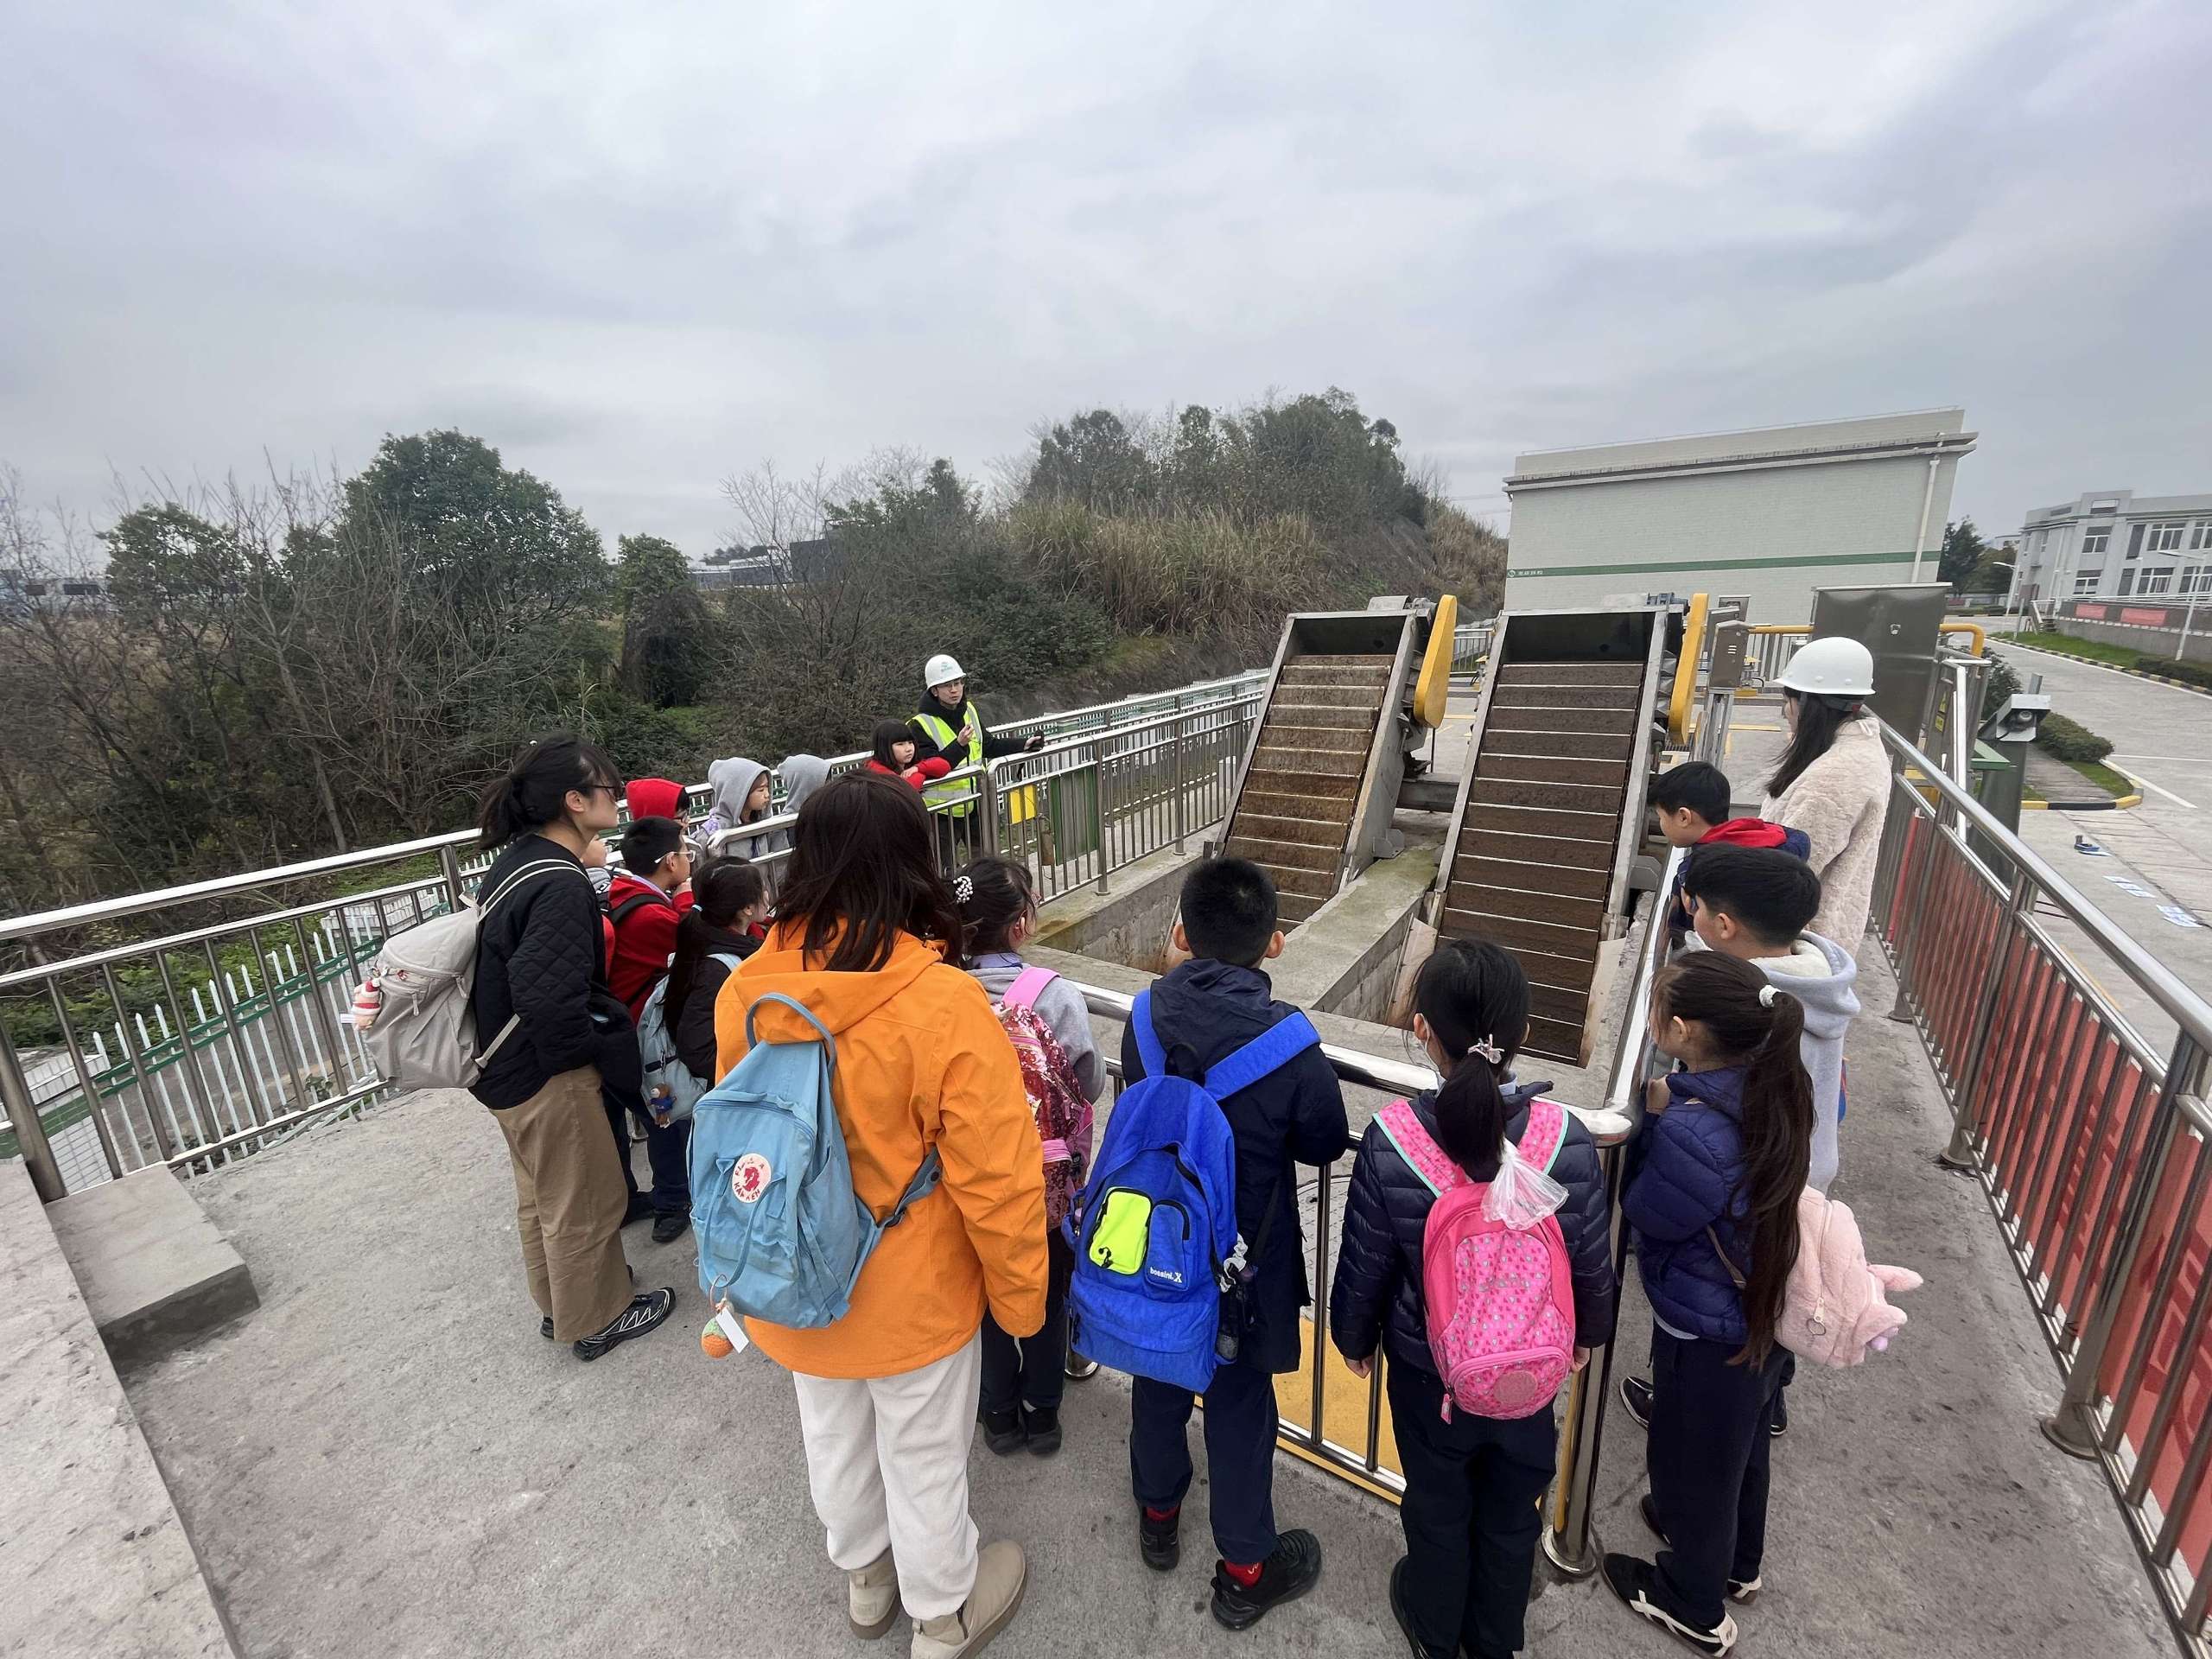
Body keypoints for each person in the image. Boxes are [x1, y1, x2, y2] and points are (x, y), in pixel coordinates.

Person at [716, 772, 1046, 1659]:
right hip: (913, 1291)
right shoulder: (941, 1002)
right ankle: (942, 1615)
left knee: (833, 1434)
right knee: (924, 1454)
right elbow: (997, 1177)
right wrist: (1020, 1302)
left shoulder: (746, 990)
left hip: (793, 1276)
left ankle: (867, 1581)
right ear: (915, 863)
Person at [1329, 938, 1618, 1659]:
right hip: (1530, 1375)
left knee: (1436, 1504)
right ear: (1521, 1035)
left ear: (1422, 1029)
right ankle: (1495, 1639)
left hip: (1434, 1378)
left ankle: (1434, 1627)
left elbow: (1367, 1260)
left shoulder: (1393, 1141)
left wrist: (1354, 1339)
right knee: (1512, 1509)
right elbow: (1588, 1259)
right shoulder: (1566, 1140)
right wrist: (1586, 1334)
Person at [1118, 855, 1350, 1631]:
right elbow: (1321, 1141)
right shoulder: (1288, 1040)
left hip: (1157, 1247)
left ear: (1180, 933)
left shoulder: (1145, 1017)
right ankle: (1246, 1569)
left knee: (1157, 1374)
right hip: (1244, 1266)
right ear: (1274, 944)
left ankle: (1157, 1515)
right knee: (1240, 1406)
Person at [1603, 952, 1814, 1656]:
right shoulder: (1775, 1085)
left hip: (1703, 1326)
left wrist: (1654, 1130)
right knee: (1741, 1456)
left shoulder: (1695, 1134)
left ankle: (1692, 1602)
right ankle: (1738, 1567)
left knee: (1693, 1463)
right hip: (1756, 1314)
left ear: (1685, 1032)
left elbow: (1645, 1211)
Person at [467, 734, 676, 1362]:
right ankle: (599, 1318)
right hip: (546, 1074)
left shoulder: (519, 862)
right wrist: (590, 1058)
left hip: (503, 1070)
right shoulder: (559, 882)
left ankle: (562, 1304)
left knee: (543, 1198)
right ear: (575, 801)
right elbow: (550, 998)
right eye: (609, 788)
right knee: (584, 1196)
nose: (618, 798)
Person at [956, 855, 1104, 1458]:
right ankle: (1042, 1413)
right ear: (1020, 926)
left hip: (967, 1180)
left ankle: (996, 1412)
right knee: (1045, 1287)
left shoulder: (941, 992)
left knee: (984, 1290)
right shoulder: (1053, 995)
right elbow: (1086, 1083)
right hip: (1042, 1184)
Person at [1761, 638, 1890, 952]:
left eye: (1788, 699)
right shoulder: (1856, 748)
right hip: (1815, 928)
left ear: (1807, 703)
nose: (1785, 711)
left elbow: (1786, 873)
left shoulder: (1833, 780)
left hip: (1797, 940)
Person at [908, 654, 1046, 867]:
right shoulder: (919, 725)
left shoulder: (969, 710)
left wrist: (1024, 744)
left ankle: (986, 899)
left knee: (986, 863)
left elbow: (987, 745)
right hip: (942, 812)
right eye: (947, 686)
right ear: (934, 691)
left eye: (957, 683)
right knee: (944, 869)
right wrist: (959, 745)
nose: (954, 690)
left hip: (975, 803)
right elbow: (932, 767)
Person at [1650, 761, 1809, 935]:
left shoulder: (1696, 872)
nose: (1661, 825)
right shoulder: (1773, 838)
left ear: (1683, 817)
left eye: (1661, 817)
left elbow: (1685, 926)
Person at [667, 856, 766, 1096]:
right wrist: (750, 1075)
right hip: (735, 1089)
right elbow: (696, 1048)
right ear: (747, 908)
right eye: (762, 888)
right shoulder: (716, 968)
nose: (766, 893)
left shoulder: (706, 942)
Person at [606, 817, 694, 1020]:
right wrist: (685, 899)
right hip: (640, 1025)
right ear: (671, 861)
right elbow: (698, 943)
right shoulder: (652, 916)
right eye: (686, 854)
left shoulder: (624, 890)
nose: (689, 860)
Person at [701, 756, 775, 854]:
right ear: (739, 794)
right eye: (761, 790)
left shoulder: (764, 822)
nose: (767, 795)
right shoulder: (712, 832)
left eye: (767, 788)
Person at [869, 718, 952, 791]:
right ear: (884, 747)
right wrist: (920, 774)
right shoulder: (877, 771)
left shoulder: (909, 765)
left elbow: (944, 766)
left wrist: (917, 768)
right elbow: (905, 790)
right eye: (900, 744)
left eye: (910, 742)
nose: (908, 749)